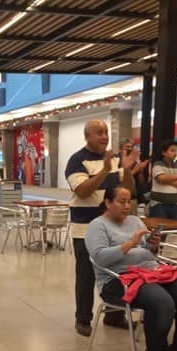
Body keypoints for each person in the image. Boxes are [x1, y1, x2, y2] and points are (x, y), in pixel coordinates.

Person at [86, 186, 177, 351]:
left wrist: (152, 245)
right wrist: (130, 244)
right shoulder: (97, 226)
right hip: (117, 280)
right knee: (161, 302)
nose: (126, 206)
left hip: (150, 273)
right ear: (107, 203)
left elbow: (149, 253)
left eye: (128, 202)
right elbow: (100, 258)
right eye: (120, 201)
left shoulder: (135, 221)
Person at [65, 120, 138, 337]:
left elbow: (128, 191)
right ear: (87, 136)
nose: (104, 136)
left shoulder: (115, 159)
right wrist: (105, 170)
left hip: (114, 229)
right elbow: (82, 191)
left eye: (106, 132)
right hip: (85, 229)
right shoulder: (77, 160)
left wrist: (126, 169)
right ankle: (83, 319)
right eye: (99, 133)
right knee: (86, 275)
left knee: (117, 271)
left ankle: (114, 316)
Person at [150, 141, 177, 220]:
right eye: (172, 150)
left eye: (176, 150)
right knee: (160, 229)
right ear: (164, 152)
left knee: (174, 229)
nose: (175, 153)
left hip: (175, 205)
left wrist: (167, 180)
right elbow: (161, 178)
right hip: (158, 205)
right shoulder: (157, 164)